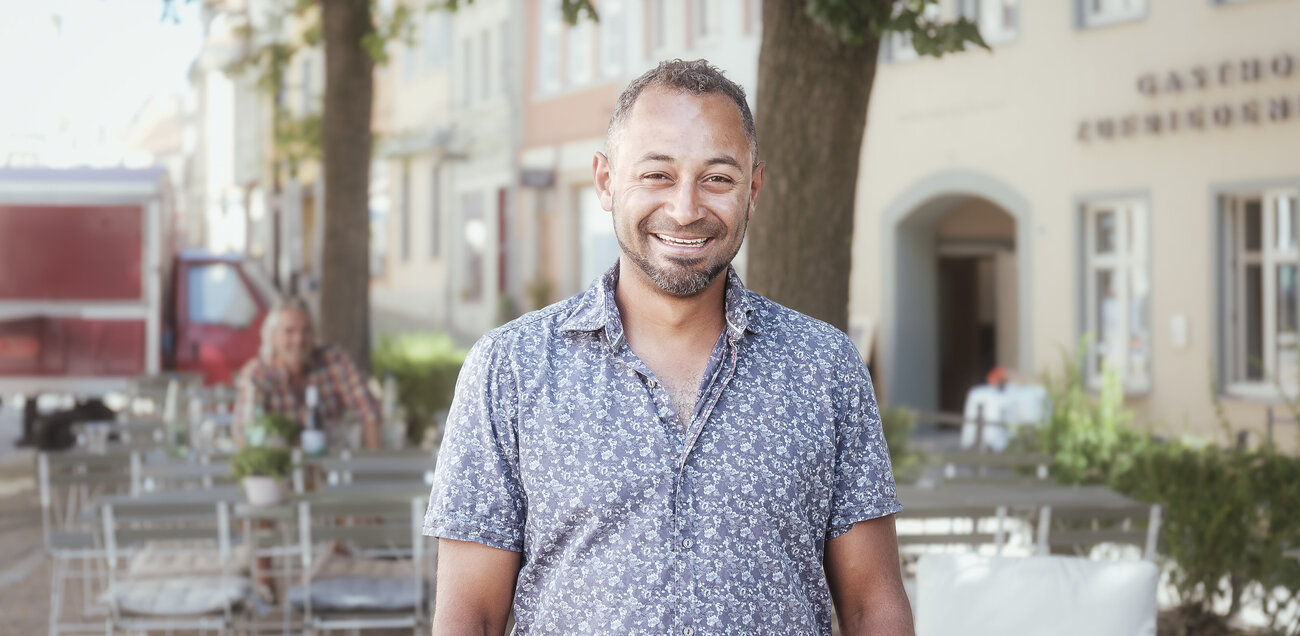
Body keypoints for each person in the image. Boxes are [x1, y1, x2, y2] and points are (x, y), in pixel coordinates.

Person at [425, 60, 911, 635]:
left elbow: (871, 605)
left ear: (753, 190)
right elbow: (471, 616)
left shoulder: (824, 368)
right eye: (657, 174)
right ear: (606, 181)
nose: (685, 209)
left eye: (718, 179)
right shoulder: (509, 368)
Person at [231, 297, 380, 449]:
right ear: (272, 336)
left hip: (331, 457)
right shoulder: (257, 373)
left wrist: (373, 459)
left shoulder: (335, 360)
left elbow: (369, 412)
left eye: (306, 330)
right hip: (279, 460)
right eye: (289, 331)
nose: (299, 340)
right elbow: (243, 430)